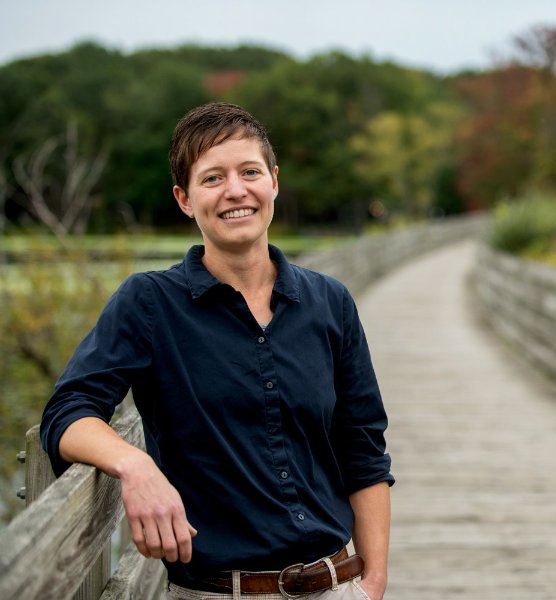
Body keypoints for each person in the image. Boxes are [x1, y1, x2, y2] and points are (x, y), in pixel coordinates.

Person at [41, 102, 394, 599]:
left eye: (249, 171)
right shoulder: (149, 303)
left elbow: (363, 447)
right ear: (185, 200)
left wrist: (373, 582)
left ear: (273, 180)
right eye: (212, 178)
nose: (235, 190)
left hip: (336, 584)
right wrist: (135, 465)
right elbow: (67, 412)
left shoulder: (329, 301)